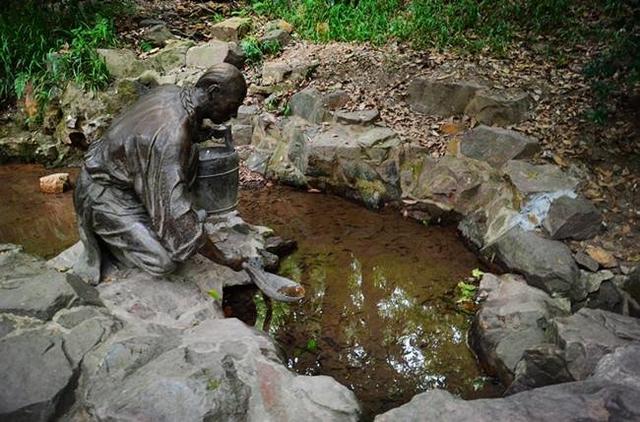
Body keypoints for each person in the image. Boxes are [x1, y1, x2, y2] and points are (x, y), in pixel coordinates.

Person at [73, 63, 247, 285]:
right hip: (104, 194)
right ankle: (112, 240)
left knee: (190, 152)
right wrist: (223, 259)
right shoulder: (172, 138)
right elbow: (178, 219)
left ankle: (148, 223)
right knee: (164, 262)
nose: (234, 114)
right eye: (233, 105)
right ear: (213, 92)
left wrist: (203, 133)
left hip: (131, 183)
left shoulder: (172, 92)